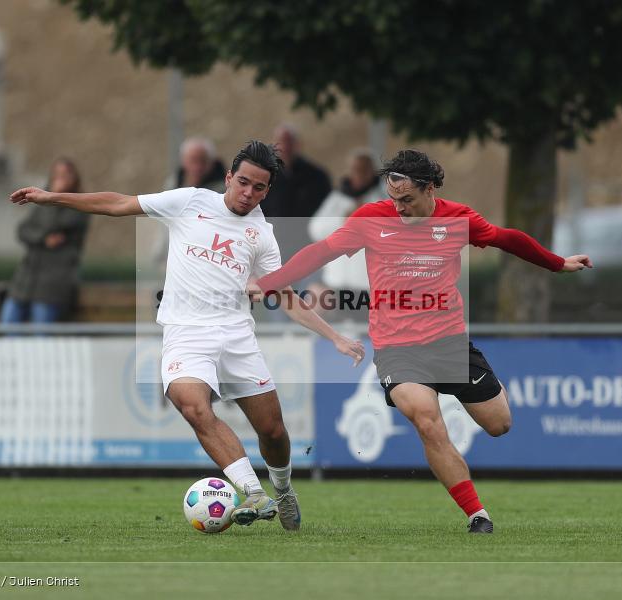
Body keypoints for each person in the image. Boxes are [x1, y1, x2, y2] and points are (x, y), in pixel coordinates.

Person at [10, 141, 365, 530]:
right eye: (243, 182)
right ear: (228, 178)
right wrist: (52, 197)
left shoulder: (261, 235)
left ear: (267, 191)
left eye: (258, 188)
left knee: (273, 430)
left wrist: (335, 338)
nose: (248, 193)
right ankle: (253, 491)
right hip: (186, 332)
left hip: (236, 336)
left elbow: (283, 296)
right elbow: (118, 203)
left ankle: (282, 490)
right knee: (193, 405)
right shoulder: (189, 201)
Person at [250, 149, 592, 534]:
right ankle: (477, 515)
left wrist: (557, 263)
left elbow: (506, 239)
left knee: (500, 425)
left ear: (430, 188)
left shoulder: (458, 218)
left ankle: (481, 398)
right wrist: (268, 283)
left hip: (450, 344)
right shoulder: (370, 219)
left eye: (407, 200)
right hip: (398, 350)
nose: (399, 208)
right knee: (428, 422)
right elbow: (320, 252)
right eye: (393, 199)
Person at [1, 157, 90, 324]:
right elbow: (23, 230)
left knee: (41, 336)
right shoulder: (41, 202)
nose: (59, 180)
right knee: (8, 322)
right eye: (57, 175)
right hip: (26, 279)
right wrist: (43, 238)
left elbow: (54, 225)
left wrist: (53, 199)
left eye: (64, 175)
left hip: (52, 285)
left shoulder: (80, 204)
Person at [307, 148, 386, 321]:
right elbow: (315, 229)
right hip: (336, 285)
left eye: (364, 170)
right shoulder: (338, 198)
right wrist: (344, 220)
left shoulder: (384, 198)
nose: (359, 174)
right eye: (355, 169)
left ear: (371, 172)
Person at [259, 124, 332, 259]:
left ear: (298, 144)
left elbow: (328, 211)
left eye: (289, 142)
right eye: (280, 142)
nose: (285, 147)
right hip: (272, 249)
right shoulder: (263, 175)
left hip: (307, 248)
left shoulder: (317, 176)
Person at [163, 137, 227, 193]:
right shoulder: (173, 185)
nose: (198, 167)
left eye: (203, 161)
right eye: (193, 161)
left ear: (212, 162)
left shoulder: (225, 191)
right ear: (183, 161)